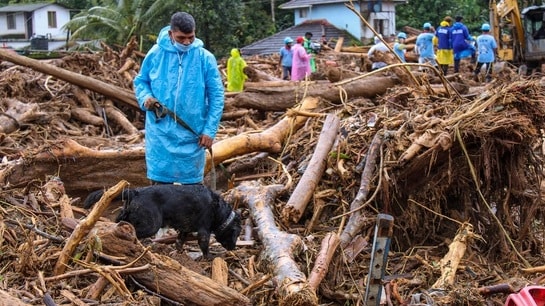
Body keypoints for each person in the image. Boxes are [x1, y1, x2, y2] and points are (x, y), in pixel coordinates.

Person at [133, 12, 224, 185]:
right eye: (181, 38)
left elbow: (216, 96)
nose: (187, 42)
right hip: (160, 133)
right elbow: (141, 81)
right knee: (160, 190)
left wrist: (209, 130)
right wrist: (146, 97)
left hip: (193, 133)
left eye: (191, 37)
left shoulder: (205, 58)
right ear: (170, 34)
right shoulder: (156, 54)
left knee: (193, 191)